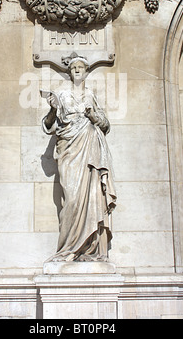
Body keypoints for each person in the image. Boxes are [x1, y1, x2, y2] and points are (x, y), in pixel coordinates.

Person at [42, 54, 116, 262]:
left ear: (85, 71)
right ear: (70, 71)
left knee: (92, 197)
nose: (77, 70)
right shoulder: (62, 95)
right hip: (68, 149)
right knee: (72, 199)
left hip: (90, 150)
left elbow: (106, 125)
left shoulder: (91, 95)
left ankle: (89, 248)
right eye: (73, 67)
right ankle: (67, 247)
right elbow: (49, 126)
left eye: (80, 67)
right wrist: (53, 108)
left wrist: (93, 115)